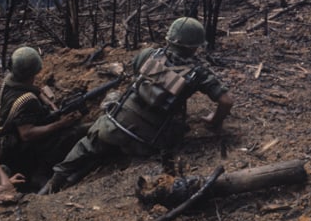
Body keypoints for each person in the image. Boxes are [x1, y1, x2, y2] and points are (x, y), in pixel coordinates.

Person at [39, 17, 234, 194]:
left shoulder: (148, 55)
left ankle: (54, 182)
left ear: (169, 39)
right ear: (195, 46)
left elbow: (134, 81)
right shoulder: (198, 73)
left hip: (113, 128)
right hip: (147, 143)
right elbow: (226, 101)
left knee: (87, 145)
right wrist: (214, 121)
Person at [0, 46, 89, 192]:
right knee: (77, 132)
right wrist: (60, 123)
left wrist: (52, 107)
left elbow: (34, 90)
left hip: (12, 144)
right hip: (25, 152)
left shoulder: (11, 81)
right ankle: (42, 172)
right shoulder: (27, 101)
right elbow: (27, 134)